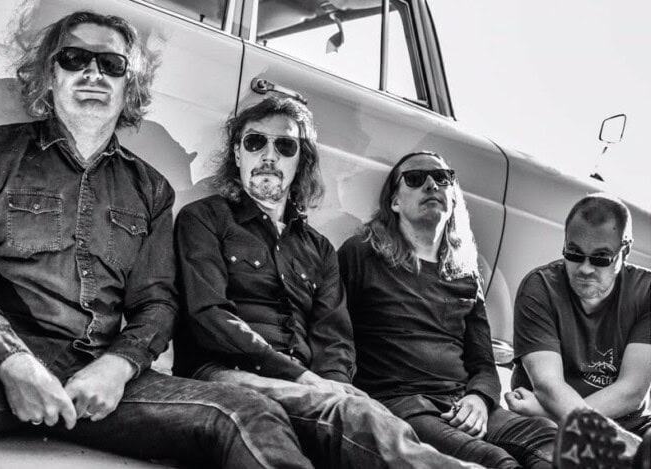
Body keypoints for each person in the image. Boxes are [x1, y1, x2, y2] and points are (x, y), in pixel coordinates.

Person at [0, 11, 318, 468]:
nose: (93, 73)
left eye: (111, 64)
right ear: (49, 74)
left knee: (250, 413)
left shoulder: (152, 188)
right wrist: (12, 360)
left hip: (97, 378)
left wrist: (117, 367)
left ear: (129, 84)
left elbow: (156, 303)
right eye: (75, 58)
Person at [173, 95, 485, 469]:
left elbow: (334, 337)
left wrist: (333, 384)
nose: (269, 156)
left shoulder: (318, 248)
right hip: (225, 373)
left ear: (301, 159)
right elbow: (209, 316)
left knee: (370, 417)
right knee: (356, 418)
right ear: (238, 154)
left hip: (306, 388)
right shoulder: (204, 219)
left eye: (285, 146)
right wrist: (306, 380)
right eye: (255, 142)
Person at [337, 151, 559, 469]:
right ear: (394, 202)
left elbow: (483, 363)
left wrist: (479, 398)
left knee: (554, 442)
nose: (431, 184)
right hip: (402, 405)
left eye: (443, 178)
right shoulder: (361, 253)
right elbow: (333, 332)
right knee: (495, 460)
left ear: (453, 196)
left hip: (462, 402)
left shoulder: (465, 271)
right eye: (415, 179)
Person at [507, 193, 651, 467]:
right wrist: (618, 442)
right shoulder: (539, 288)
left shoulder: (646, 292)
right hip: (550, 426)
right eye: (573, 254)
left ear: (625, 251)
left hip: (620, 424)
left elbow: (632, 391)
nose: (585, 269)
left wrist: (553, 413)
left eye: (600, 258)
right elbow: (548, 387)